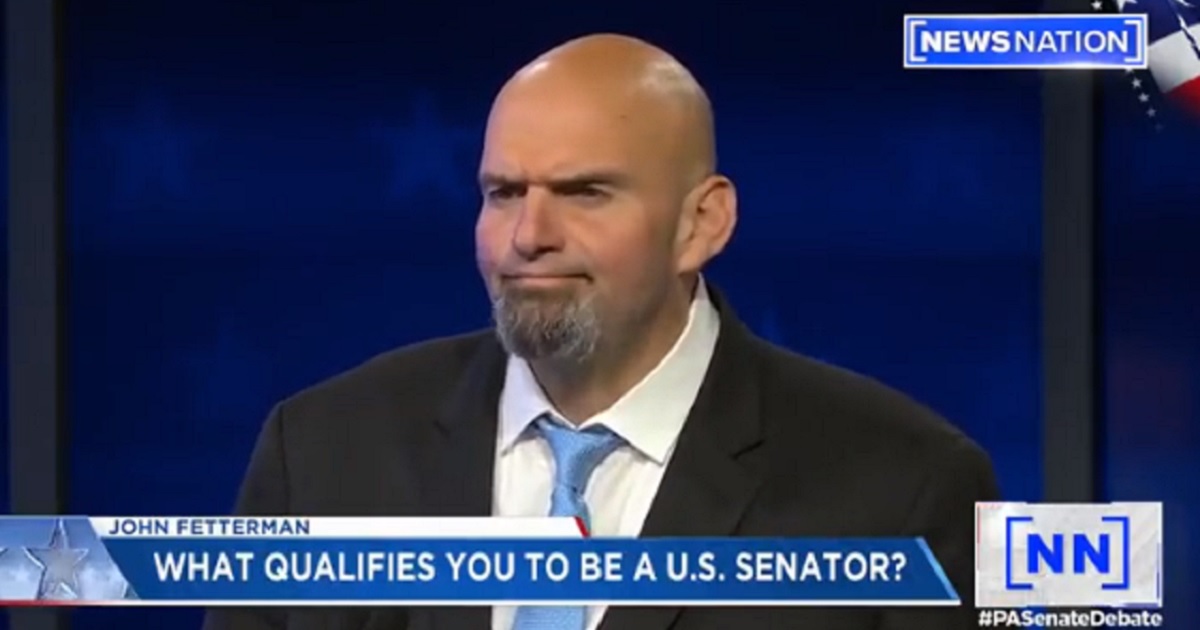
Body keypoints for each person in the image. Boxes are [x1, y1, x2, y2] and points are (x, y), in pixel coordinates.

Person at [203, 33, 999, 630]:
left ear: (701, 223)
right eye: (503, 192)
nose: (528, 235)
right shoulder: (322, 451)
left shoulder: (902, 490)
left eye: (585, 192)